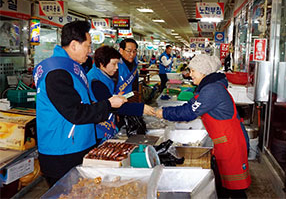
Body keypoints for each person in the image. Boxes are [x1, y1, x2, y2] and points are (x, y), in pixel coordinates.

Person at [33, 21, 127, 187]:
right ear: (74, 45)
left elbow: (82, 102)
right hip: (62, 151)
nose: (90, 51)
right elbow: (75, 113)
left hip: (76, 145)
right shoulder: (57, 73)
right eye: (88, 46)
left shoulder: (71, 67)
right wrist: (108, 104)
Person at [155, 54, 251, 198]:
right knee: (224, 186)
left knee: (235, 190)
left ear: (203, 71)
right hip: (224, 142)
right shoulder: (209, 86)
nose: (190, 74)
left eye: (193, 71)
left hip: (232, 145)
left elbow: (189, 112)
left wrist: (163, 113)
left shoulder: (212, 90)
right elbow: (191, 105)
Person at [87, 45, 155, 142]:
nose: (117, 68)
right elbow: (113, 105)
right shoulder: (96, 81)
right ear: (102, 64)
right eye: (114, 64)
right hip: (99, 130)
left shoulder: (102, 75)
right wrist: (142, 108)